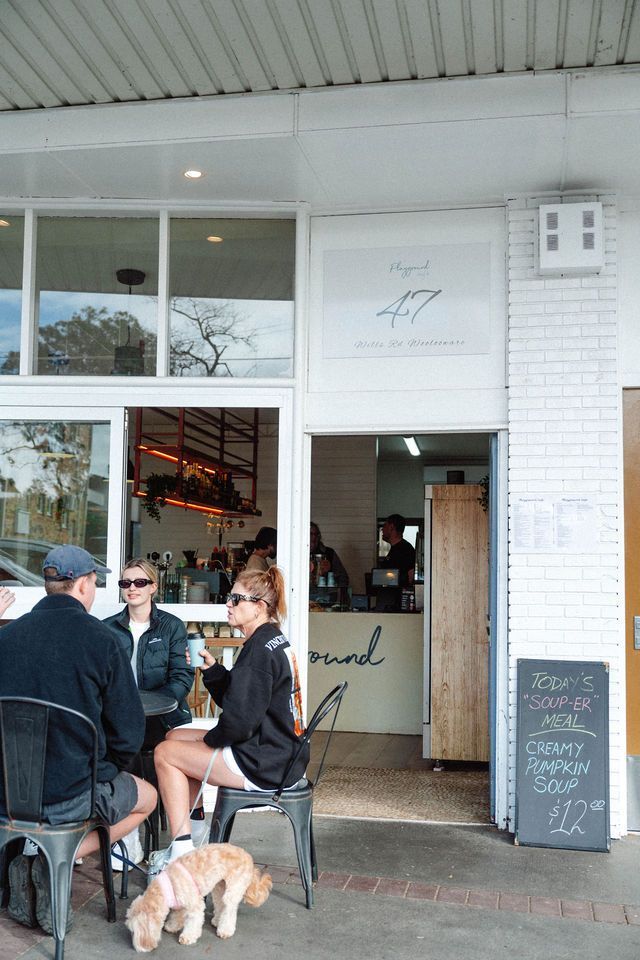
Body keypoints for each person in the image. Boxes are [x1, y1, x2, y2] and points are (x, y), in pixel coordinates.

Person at [0, 545, 156, 928]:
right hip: (72, 794)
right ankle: (57, 859)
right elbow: (129, 731)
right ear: (84, 585)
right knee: (148, 797)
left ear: (49, 585)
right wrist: (105, 769)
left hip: (8, 794)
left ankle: (32, 858)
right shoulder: (101, 640)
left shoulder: (7, 637)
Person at [154, 565, 307, 863]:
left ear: (259, 606)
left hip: (263, 763)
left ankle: (182, 851)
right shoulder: (270, 639)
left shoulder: (259, 651)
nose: (228, 604)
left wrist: (209, 741)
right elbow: (242, 700)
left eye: (237, 599)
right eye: (229, 597)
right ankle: (195, 829)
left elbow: (239, 722)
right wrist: (212, 669)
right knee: (175, 735)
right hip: (280, 752)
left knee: (164, 752)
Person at [103, 557, 192, 868]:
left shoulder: (171, 626)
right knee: (116, 747)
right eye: (125, 583)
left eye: (140, 582)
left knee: (145, 746)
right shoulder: (108, 628)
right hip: (123, 717)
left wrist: (159, 704)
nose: (132, 588)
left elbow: (182, 677)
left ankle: (173, 832)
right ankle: (128, 835)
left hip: (163, 718)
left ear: (153, 587)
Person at [380, 514, 416, 589]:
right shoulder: (393, 549)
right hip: (389, 597)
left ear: (391, 527)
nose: (382, 529)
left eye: (385, 526)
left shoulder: (406, 549)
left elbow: (411, 576)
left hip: (399, 598)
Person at [309, 522, 349, 588]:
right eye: (310, 534)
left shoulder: (329, 553)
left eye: (316, 534)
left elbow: (343, 577)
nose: (313, 537)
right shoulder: (295, 554)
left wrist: (335, 591)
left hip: (325, 595)